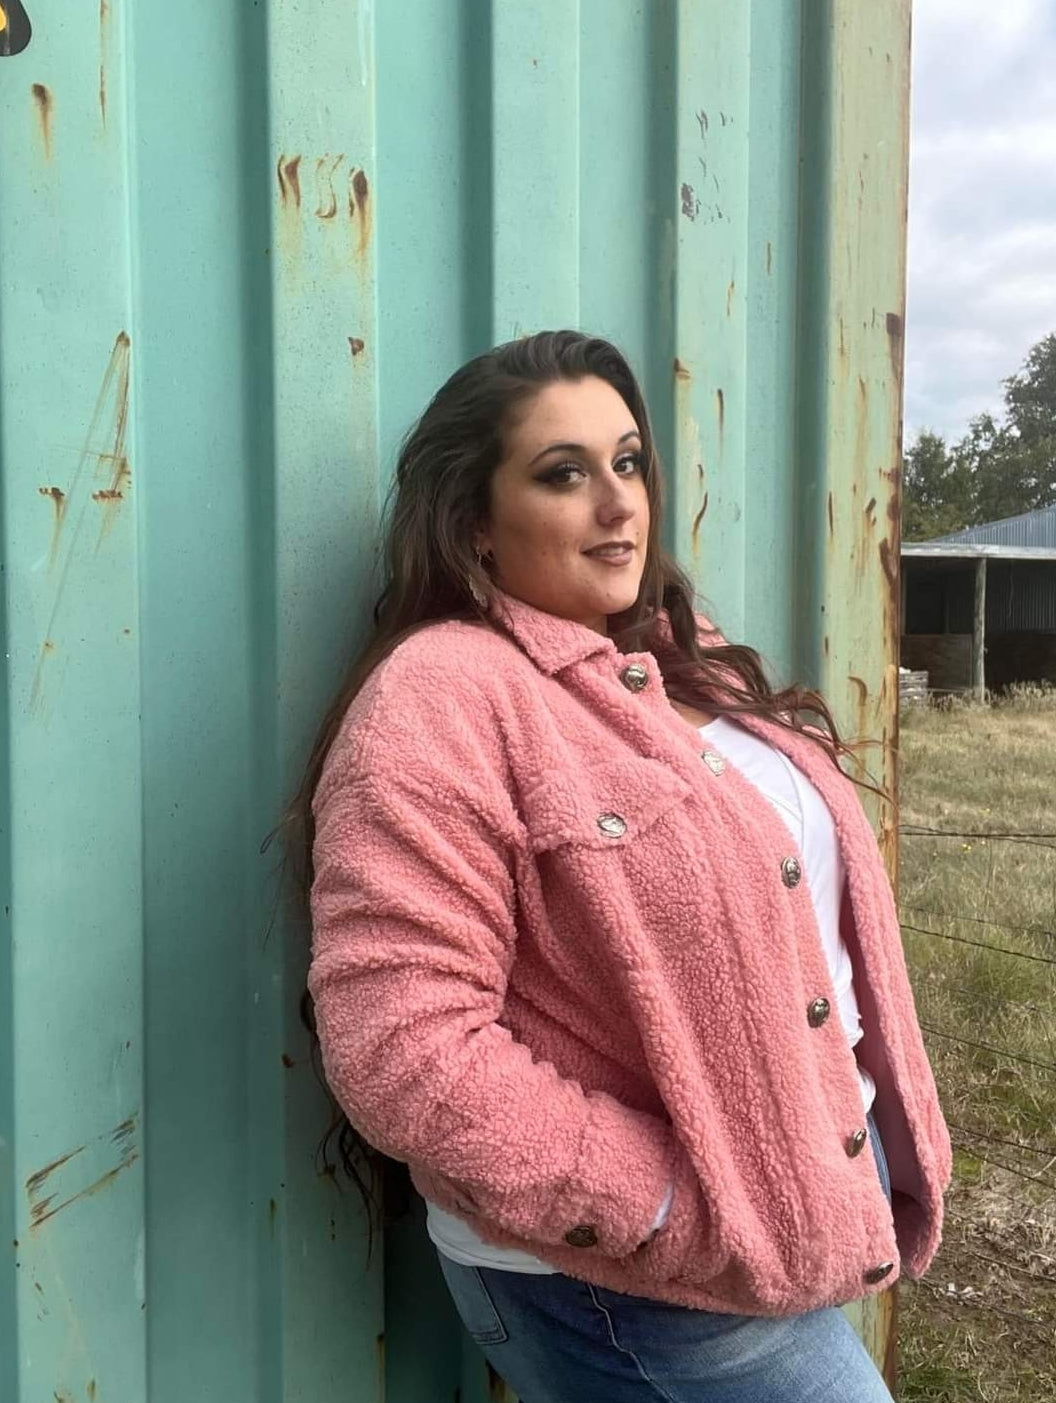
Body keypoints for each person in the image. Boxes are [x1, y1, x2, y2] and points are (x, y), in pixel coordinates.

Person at [295, 330, 951, 1402]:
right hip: (638, 1280)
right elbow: (403, 1050)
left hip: (784, 1208)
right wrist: (667, 1205)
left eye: (630, 461)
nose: (618, 504)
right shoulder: (440, 697)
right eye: (564, 474)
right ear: (474, 522)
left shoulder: (676, 657)